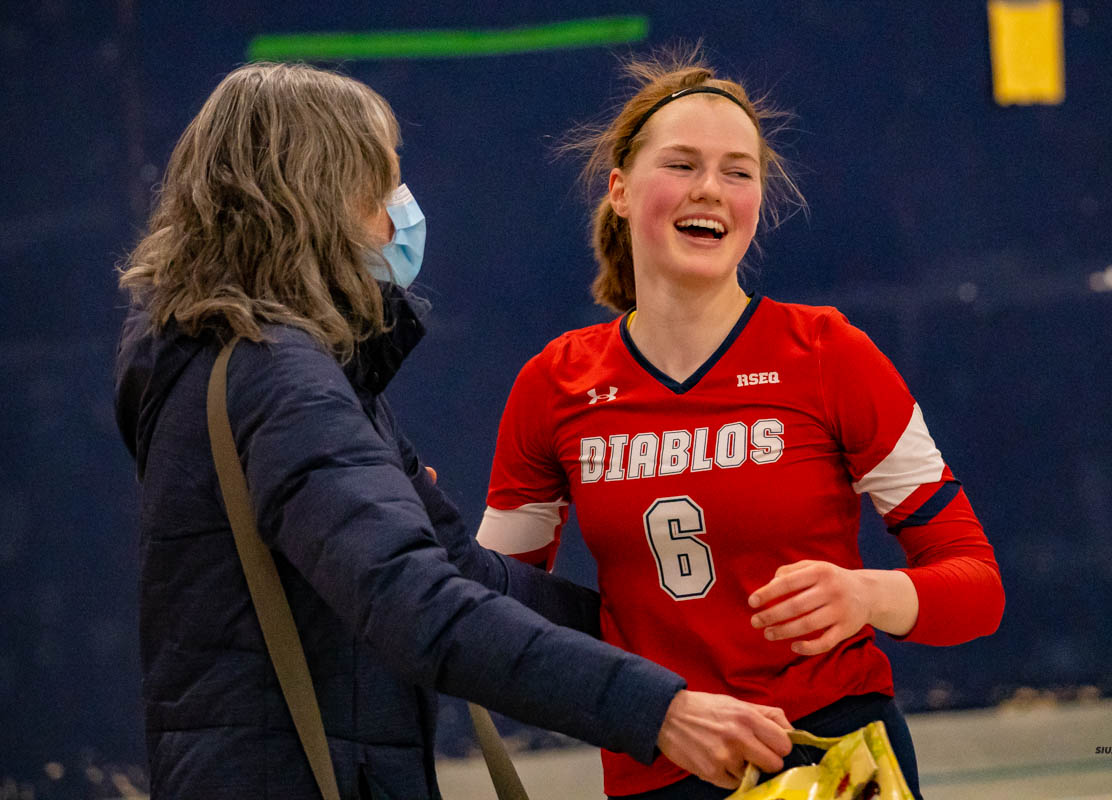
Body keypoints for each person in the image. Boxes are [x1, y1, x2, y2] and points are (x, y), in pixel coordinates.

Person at [113, 61, 796, 800]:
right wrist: (657, 709)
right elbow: (419, 603)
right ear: (319, 201)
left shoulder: (251, 369)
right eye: (382, 190)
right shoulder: (281, 380)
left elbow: (468, 571)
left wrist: (671, 636)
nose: (398, 217)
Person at [477, 49, 1006, 800]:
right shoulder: (555, 384)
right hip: (658, 761)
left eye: (738, 170)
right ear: (620, 192)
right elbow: (494, 614)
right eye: (683, 164)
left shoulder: (829, 353)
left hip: (832, 747)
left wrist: (867, 595)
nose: (711, 191)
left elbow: (978, 586)